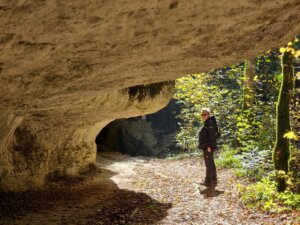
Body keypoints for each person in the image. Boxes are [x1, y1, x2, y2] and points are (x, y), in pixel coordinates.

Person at [198, 107, 218, 186]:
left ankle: (208, 181)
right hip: (207, 146)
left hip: (208, 146)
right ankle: (213, 178)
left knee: (208, 163)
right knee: (211, 162)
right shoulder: (208, 122)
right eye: (202, 114)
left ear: (209, 114)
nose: (203, 116)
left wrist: (209, 146)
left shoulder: (210, 123)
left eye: (205, 114)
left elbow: (212, 136)